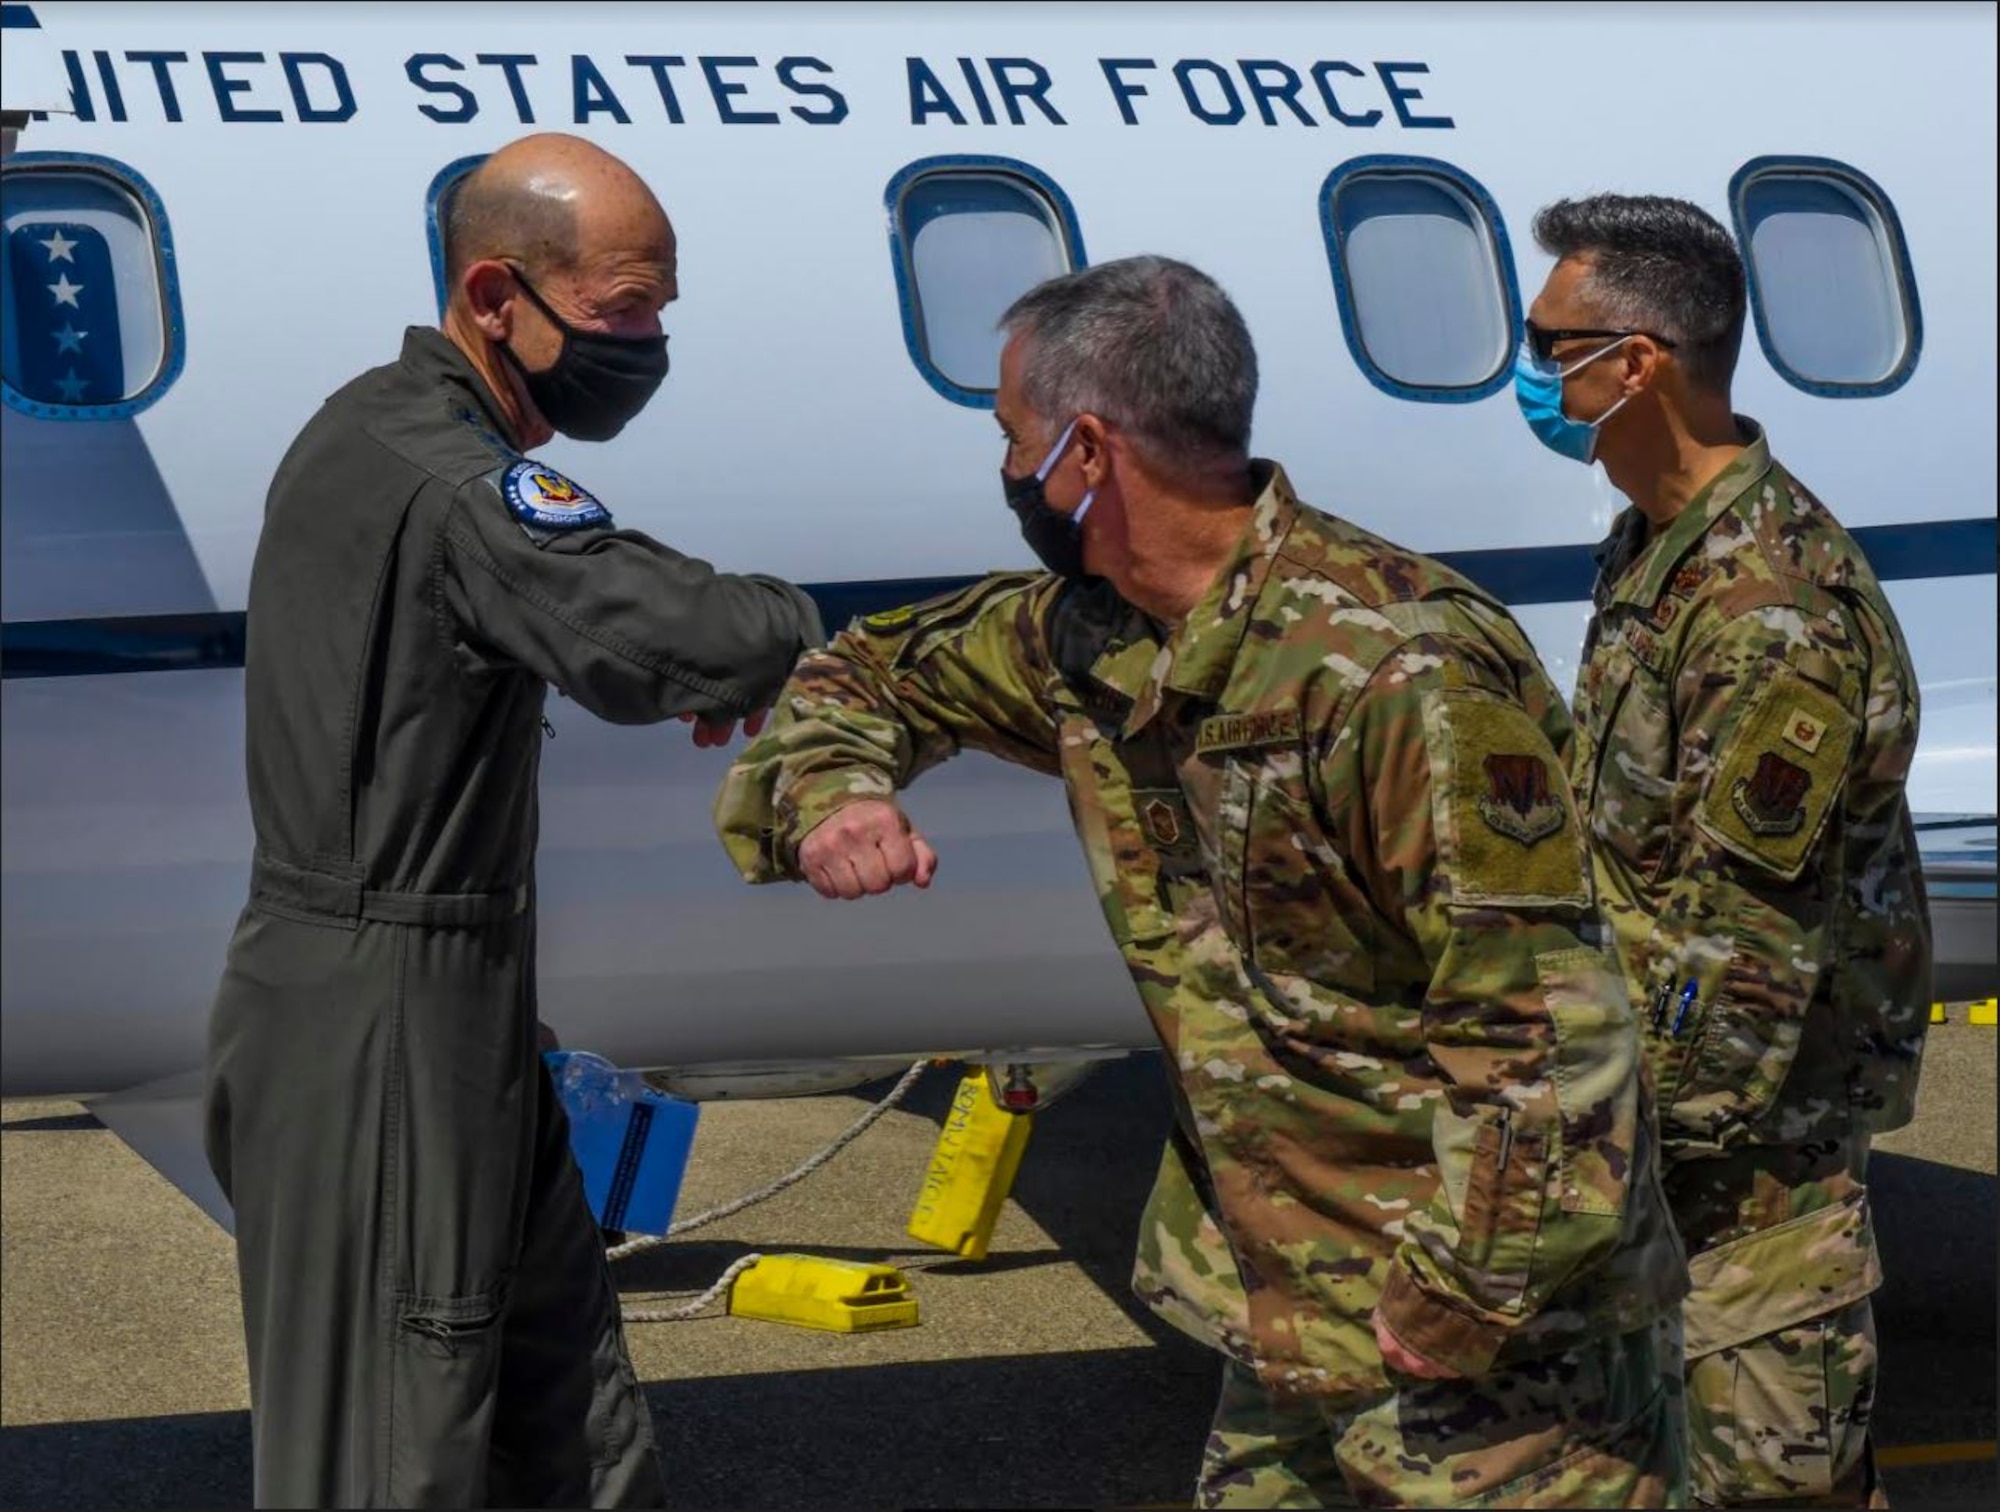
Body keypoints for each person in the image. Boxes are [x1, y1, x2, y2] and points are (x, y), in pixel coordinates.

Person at [714, 255, 1690, 1507]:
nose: (1007, 469)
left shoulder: (1393, 671)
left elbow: (1548, 1041)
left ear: (1084, 452)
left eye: (1012, 434)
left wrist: (1456, 1301)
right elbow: (865, 674)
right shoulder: (1098, 633)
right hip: (1284, 1324)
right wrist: (837, 792)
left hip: (1491, 1356)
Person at [202, 132, 824, 1509]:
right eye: (620, 314)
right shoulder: (445, 475)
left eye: (660, 308)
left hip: (446, 990)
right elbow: (655, 629)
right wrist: (787, 635)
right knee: (397, 1447)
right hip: (387, 1016)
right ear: (497, 298)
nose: (649, 344)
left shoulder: (388, 429)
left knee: (555, 1414)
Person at [1515, 193, 1932, 1507]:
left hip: (1745, 1180)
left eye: (1546, 340)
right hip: (1673, 1151)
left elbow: (1740, 954)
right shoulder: (1659, 551)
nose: (1529, 370)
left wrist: (1593, 1157)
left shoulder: (1771, 604)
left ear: (1632, 362)